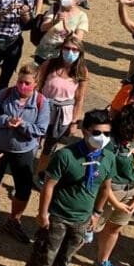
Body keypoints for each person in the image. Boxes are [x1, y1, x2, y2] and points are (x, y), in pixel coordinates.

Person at [19, 110, 114, 266]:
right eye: (97, 132)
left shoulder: (108, 158)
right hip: (59, 215)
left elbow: (105, 187)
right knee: (45, 253)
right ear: (85, 131)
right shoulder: (66, 155)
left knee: (65, 255)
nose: (102, 138)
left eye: (106, 133)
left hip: (83, 218)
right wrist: (43, 213)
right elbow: (49, 185)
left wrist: (97, 213)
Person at [0, 64, 50, 243]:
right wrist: (4, 120)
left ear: (36, 83)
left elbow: (41, 129)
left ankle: (14, 220)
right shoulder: (4, 94)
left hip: (23, 150)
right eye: (20, 81)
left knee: (23, 186)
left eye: (27, 83)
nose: (23, 86)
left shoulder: (42, 102)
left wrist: (22, 125)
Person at [92, 102, 134, 266]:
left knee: (114, 228)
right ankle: (64, 263)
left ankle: (103, 260)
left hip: (131, 191)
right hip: (109, 191)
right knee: (88, 227)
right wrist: (114, 201)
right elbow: (103, 177)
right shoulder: (111, 141)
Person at [35, 38, 89, 176]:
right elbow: (37, 84)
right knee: (34, 140)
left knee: (50, 146)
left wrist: (74, 121)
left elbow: (79, 99)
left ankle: (39, 173)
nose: (70, 52)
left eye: (74, 49)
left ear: (80, 52)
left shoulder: (81, 71)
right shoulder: (50, 64)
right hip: (43, 109)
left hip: (63, 114)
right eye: (67, 48)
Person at [35, 0, 89, 64]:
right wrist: (55, 21)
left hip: (63, 56)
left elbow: (78, 40)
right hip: (44, 53)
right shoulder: (55, 7)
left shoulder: (82, 16)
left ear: (78, 0)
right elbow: (43, 28)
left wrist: (68, 29)